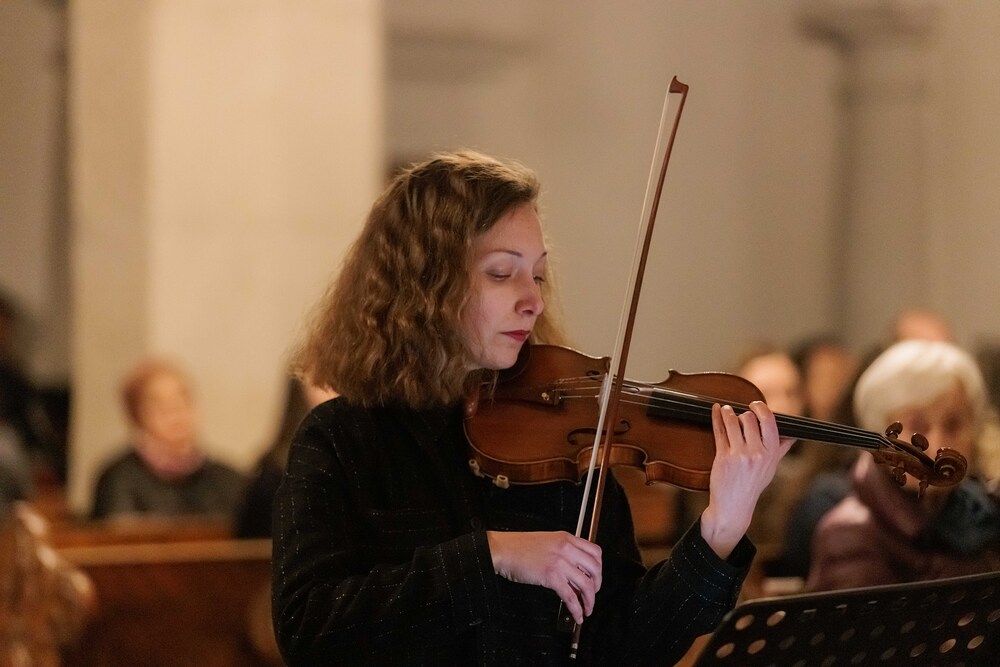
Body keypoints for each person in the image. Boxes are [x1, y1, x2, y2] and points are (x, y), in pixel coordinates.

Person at [271, 150, 793, 665]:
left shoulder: (561, 440)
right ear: (424, 284)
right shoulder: (341, 439)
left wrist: (722, 526)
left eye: (538, 275)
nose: (533, 300)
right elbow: (310, 630)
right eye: (502, 273)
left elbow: (624, 647)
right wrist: (492, 556)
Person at [807, 339, 1000, 591]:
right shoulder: (849, 536)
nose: (939, 447)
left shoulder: (982, 514)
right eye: (917, 428)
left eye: (953, 425)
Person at [90, 358, 245, 520]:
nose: (176, 412)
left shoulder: (227, 479)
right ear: (136, 415)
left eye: (183, 399)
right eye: (160, 404)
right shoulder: (119, 479)